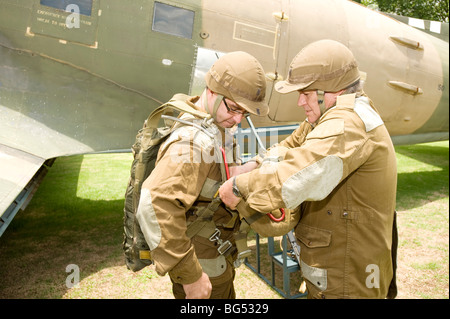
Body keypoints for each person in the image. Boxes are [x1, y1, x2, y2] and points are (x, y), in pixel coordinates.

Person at [219, 40, 398, 299]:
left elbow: (296, 175)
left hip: (349, 277)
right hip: (338, 267)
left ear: (332, 90)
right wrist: (255, 164)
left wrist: (239, 187)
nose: (301, 101)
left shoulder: (346, 123)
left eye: (307, 92)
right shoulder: (329, 116)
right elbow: (291, 146)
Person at [136, 51, 269, 299]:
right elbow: (154, 203)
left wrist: (254, 166)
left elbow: (216, 177)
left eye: (245, 114)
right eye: (234, 109)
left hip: (215, 255)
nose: (238, 120)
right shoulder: (192, 143)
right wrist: (191, 277)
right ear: (211, 91)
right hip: (203, 265)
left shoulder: (212, 123)